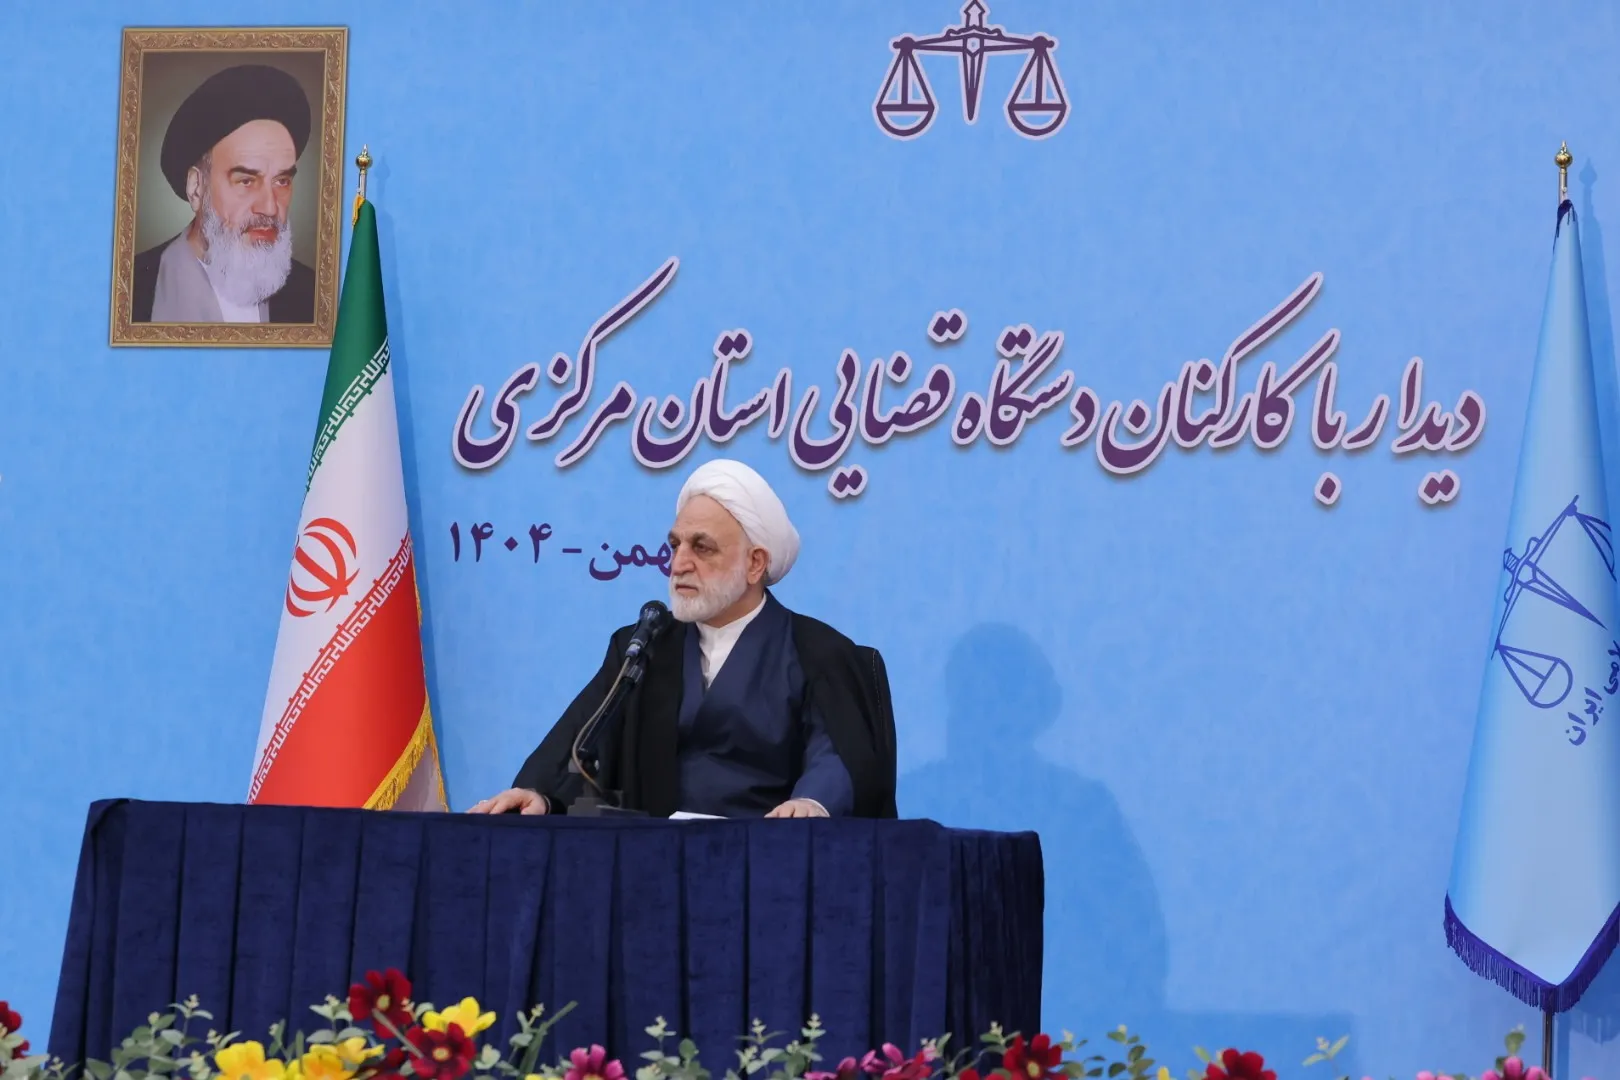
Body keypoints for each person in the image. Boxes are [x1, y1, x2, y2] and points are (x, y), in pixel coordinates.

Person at [469, 459, 897, 819]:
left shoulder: (819, 653)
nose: (678, 564)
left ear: (754, 564)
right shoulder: (644, 646)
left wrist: (811, 803)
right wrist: (542, 794)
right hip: (654, 864)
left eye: (701, 547)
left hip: (771, 861)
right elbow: (587, 737)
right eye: (675, 545)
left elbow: (837, 756)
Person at [132, 64, 316, 324]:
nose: (270, 207)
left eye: (282, 181)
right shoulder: (131, 290)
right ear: (197, 188)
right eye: (246, 181)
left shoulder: (314, 294)